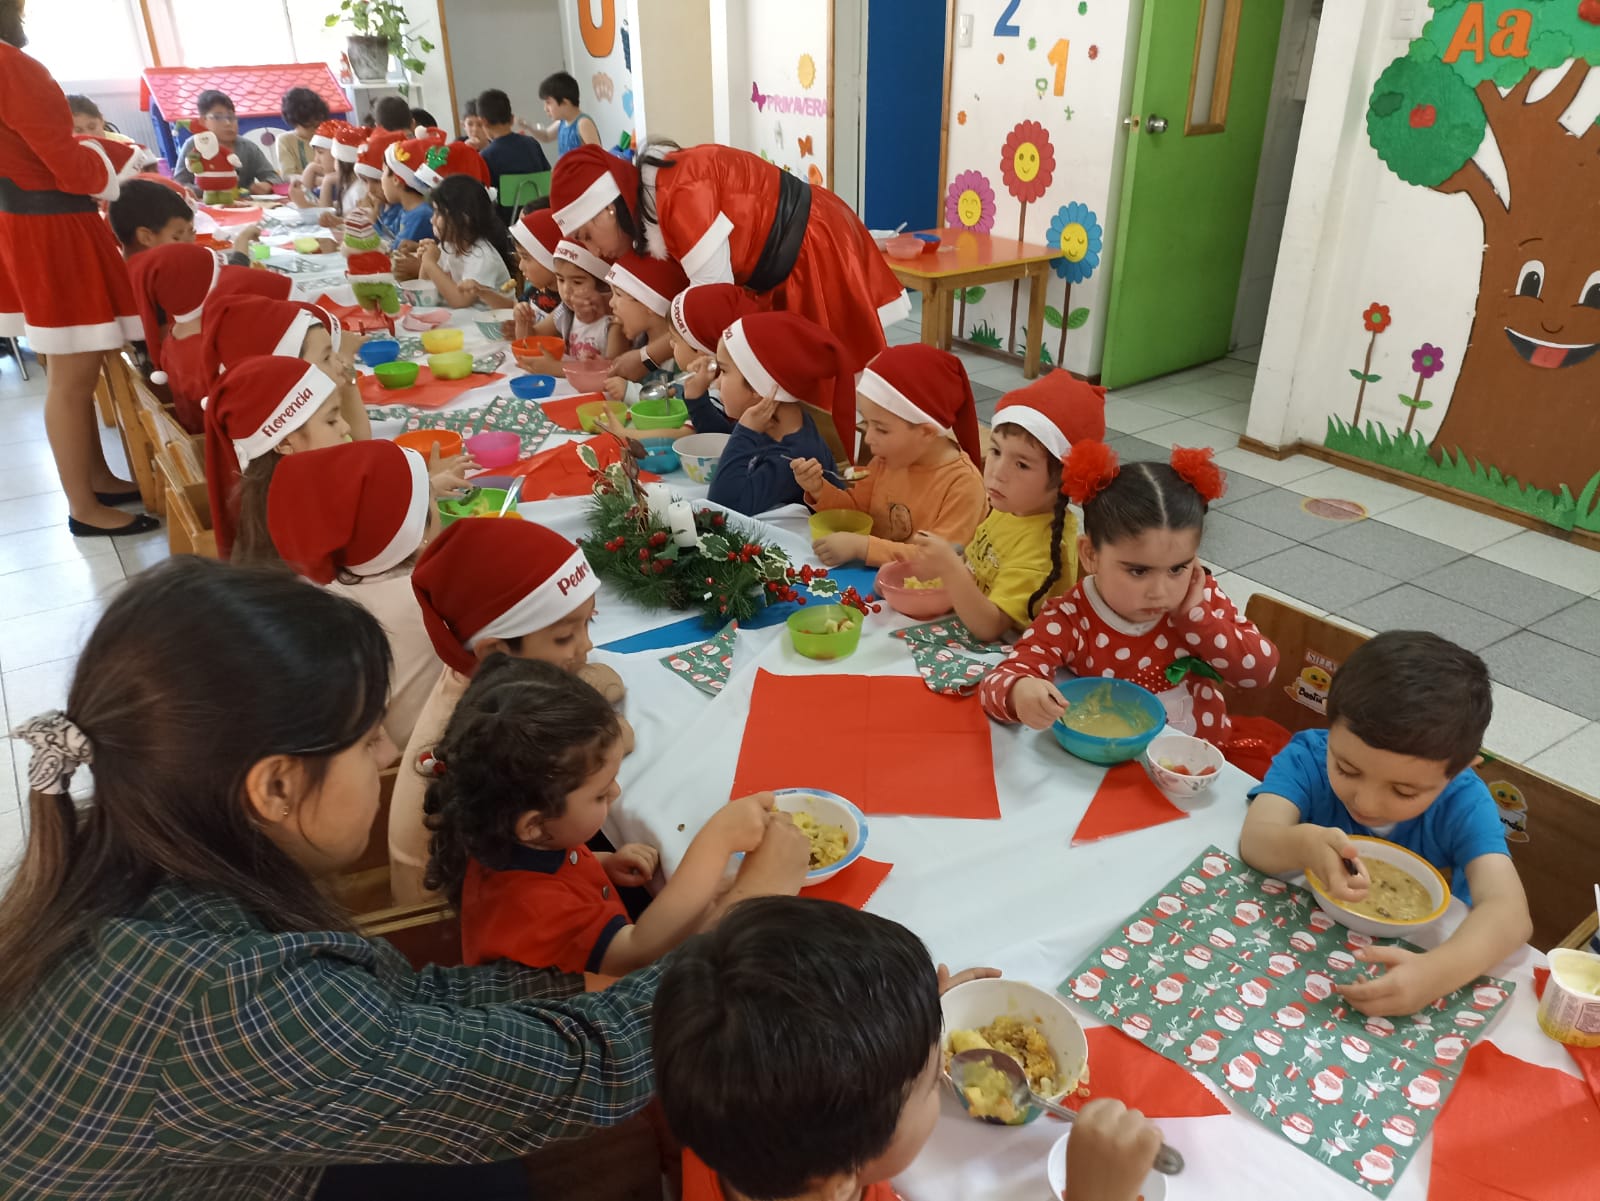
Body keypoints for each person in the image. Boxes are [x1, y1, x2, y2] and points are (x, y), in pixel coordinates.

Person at [0, 557, 678, 1199]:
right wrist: (725, 947)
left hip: (237, 1166)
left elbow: (397, 1003)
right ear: (276, 786)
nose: (388, 753)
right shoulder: (227, 999)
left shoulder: (145, 846)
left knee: (483, 1174)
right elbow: (566, 1075)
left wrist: (567, 980)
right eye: (368, 737)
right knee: (494, 1169)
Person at [656, 897, 1165, 1201]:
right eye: (928, 1082)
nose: (944, 1066)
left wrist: (898, 1031)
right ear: (838, 1182)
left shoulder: (728, 1119)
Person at [424, 656, 810, 977]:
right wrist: (717, 840)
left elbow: (558, 870)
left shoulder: (505, 833)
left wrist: (604, 864)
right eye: (599, 792)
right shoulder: (530, 909)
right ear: (534, 825)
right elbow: (637, 953)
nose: (616, 793)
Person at [1240, 631, 1532, 1017]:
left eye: (1404, 791)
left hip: (1403, 961)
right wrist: (1304, 843)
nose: (1366, 802)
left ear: (1459, 769)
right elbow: (1256, 840)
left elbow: (1509, 913)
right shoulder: (1309, 755)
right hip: (1280, 946)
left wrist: (1437, 974)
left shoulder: (1464, 801)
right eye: (1346, 768)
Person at [391, 517, 634, 903]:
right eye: (563, 636)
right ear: (495, 652)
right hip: (456, 920)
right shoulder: (501, 729)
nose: (585, 647)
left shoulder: (484, 684)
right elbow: (609, 742)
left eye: (589, 623)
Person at [979, 444, 1280, 744]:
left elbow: (1260, 673)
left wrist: (1196, 619)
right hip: (1112, 770)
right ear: (1090, 554)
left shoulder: (1198, 597)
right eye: (1138, 571)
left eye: (1177, 568)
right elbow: (999, 680)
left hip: (1201, 764)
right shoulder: (1071, 617)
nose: (1160, 592)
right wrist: (1020, 691)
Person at [551, 144, 909, 377]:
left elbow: (712, 318)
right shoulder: (656, 205)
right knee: (800, 374)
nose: (594, 251)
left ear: (607, 210)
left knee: (838, 374)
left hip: (813, 245)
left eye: (586, 236)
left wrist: (650, 358)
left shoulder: (681, 195)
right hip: (778, 264)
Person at [0, 4, 157, 536]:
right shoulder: (10, 64)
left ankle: (96, 477)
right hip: (51, 227)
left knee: (75, 370)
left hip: (26, 222)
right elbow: (64, 161)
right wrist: (111, 158)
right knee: (71, 377)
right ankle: (82, 508)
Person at [255, 439, 441, 749]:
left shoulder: (317, 585)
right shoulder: (431, 601)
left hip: (351, 757)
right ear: (418, 535)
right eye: (432, 500)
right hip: (413, 767)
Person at [910, 372, 1106, 642]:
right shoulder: (1010, 507)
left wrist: (949, 569)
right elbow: (978, 566)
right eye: (996, 451)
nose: (997, 473)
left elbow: (990, 627)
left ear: (1064, 480)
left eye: (1022, 464)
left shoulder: (1042, 548)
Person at [795, 344, 987, 566]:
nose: (867, 439)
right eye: (866, 423)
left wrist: (863, 547)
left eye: (881, 429)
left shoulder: (963, 486)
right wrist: (819, 489)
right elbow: (857, 513)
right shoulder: (885, 461)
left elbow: (940, 561)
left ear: (926, 432)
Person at [127, 242, 292, 432]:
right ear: (199, 290)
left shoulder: (172, 341)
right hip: (224, 443)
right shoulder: (213, 351)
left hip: (198, 432)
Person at [204, 354, 353, 558]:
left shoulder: (275, 496)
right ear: (284, 443)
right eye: (332, 420)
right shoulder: (302, 527)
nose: (346, 427)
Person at [708, 312, 847, 516]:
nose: (716, 382)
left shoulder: (793, 457)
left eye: (724, 371)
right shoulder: (773, 423)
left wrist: (745, 431)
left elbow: (721, 508)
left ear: (758, 386)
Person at [201, 292, 374, 447]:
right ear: (287, 373)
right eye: (327, 357)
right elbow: (363, 447)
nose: (340, 366)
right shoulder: (309, 439)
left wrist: (347, 374)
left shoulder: (307, 425)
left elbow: (360, 441)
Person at [666, 282, 765, 435]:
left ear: (702, 353)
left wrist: (697, 399)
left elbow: (718, 439)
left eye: (675, 339)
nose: (670, 344)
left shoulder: (726, 392)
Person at [516, 240, 627, 374]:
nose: (566, 290)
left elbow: (610, 372)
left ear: (604, 286)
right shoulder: (566, 311)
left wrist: (555, 368)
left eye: (577, 282)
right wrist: (523, 322)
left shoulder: (614, 324)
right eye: (561, 280)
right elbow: (533, 340)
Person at [601, 251, 689, 402]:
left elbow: (683, 402)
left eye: (619, 294)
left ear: (650, 305)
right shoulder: (640, 342)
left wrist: (631, 392)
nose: (611, 303)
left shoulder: (682, 356)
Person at [416, 174, 514, 308]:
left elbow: (460, 301)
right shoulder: (450, 246)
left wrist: (430, 263)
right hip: (465, 319)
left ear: (464, 219)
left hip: (493, 324)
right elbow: (425, 287)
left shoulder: (482, 255)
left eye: (439, 213)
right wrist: (426, 259)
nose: (432, 220)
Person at [173, 90, 280, 195]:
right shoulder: (193, 144)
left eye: (231, 117)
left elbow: (273, 177)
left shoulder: (247, 147)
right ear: (202, 121)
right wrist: (200, 191)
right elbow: (179, 183)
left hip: (245, 206)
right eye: (218, 117)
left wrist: (267, 184)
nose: (228, 123)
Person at [476, 87, 550, 222]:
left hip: (506, 223)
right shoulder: (532, 144)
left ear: (483, 121)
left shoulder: (485, 156)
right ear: (511, 119)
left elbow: (483, 197)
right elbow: (547, 178)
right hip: (539, 216)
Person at [510, 206, 563, 339]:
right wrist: (521, 321)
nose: (521, 266)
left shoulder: (569, 303)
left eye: (526, 257)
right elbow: (528, 342)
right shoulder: (536, 292)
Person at [377, 135, 439, 245]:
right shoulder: (406, 210)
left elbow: (394, 251)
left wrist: (371, 223)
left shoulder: (421, 215)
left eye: (384, 172)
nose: (381, 179)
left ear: (396, 179)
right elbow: (390, 238)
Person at [532, 71, 600, 155]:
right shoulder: (562, 122)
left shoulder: (583, 123)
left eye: (548, 103)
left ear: (565, 102)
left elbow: (599, 156)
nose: (545, 108)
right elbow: (546, 136)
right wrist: (528, 127)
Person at [278, 85, 330, 178]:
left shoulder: (330, 136)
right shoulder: (285, 140)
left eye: (319, 124)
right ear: (296, 122)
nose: (317, 130)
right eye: (311, 126)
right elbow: (288, 176)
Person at [65, 94, 135, 145]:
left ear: (101, 120)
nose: (89, 135)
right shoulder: (68, 152)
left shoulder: (123, 142)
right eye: (78, 131)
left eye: (92, 127)